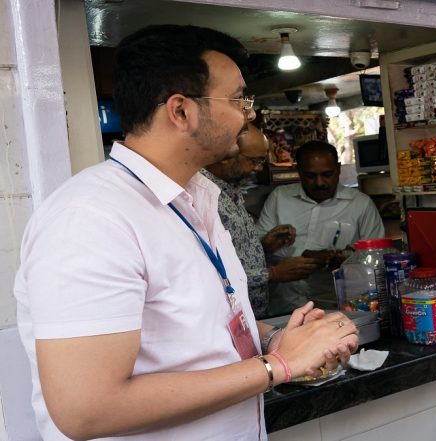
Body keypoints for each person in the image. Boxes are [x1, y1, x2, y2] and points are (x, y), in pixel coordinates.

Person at [13, 24, 358, 441]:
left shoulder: (201, 197)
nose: (249, 114)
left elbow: (199, 326)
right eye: (237, 100)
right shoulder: (90, 218)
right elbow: (86, 409)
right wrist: (277, 367)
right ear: (181, 111)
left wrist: (275, 339)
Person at [202, 123, 321, 318]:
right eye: (254, 160)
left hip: (254, 319)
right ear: (225, 154)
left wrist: (262, 245)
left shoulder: (231, 190)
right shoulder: (203, 198)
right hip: (228, 321)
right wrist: (273, 273)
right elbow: (210, 274)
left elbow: (232, 252)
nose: (258, 168)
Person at [257, 140, 385, 315]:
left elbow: (378, 259)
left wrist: (345, 261)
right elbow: (254, 252)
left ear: (339, 169)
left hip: (337, 306)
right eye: (310, 176)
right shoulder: (280, 197)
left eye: (327, 174)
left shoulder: (360, 204)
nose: (319, 183)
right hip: (285, 305)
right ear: (299, 172)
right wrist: (266, 244)